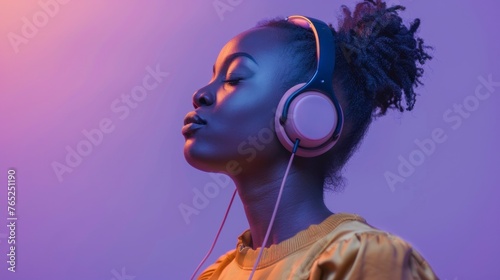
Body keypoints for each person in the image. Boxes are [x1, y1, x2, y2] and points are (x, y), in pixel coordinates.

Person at [181, 0, 437, 279]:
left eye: (234, 77)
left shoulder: (362, 260)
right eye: (214, 76)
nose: (201, 94)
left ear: (307, 115)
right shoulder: (219, 273)